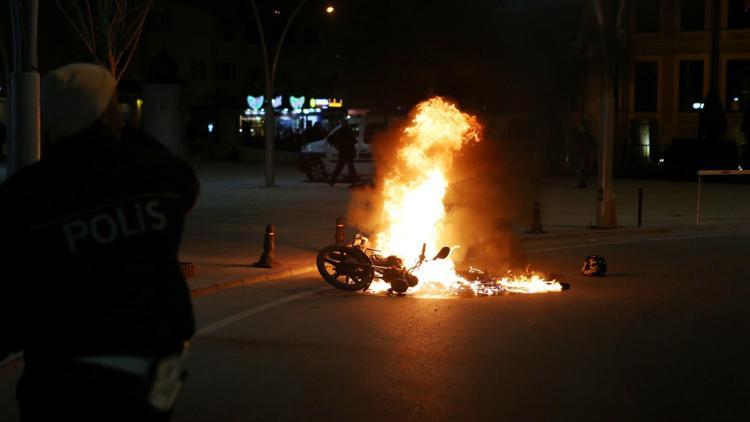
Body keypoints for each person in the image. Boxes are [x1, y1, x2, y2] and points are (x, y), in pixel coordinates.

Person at [0, 63, 199, 421]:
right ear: (109, 113)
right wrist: (124, 135)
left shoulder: (26, 193)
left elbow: (11, 287)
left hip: (59, 374)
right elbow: (185, 182)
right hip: (152, 371)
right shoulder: (154, 175)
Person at [328, 119, 359, 186]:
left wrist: (336, 145)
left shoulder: (342, 131)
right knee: (350, 167)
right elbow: (354, 141)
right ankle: (354, 181)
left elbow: (331, 138)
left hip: (344, 152)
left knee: (340, 167)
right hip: (348, 152)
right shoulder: (348, 131)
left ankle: (332, 181)